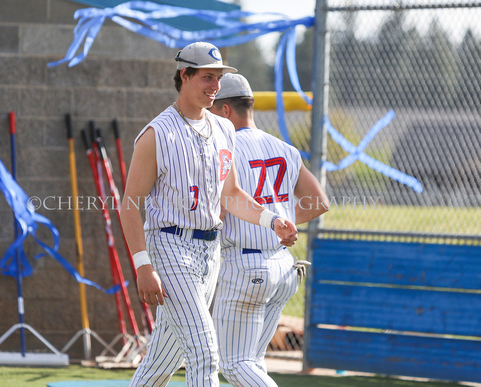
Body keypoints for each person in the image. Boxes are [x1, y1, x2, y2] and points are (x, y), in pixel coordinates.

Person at [121, 42, 299, 387]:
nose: (215, 86)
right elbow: (130, 205)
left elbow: (231, 195)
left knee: (162, 360)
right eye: (207, 77)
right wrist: (143, 266)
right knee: (205, 353)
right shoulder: (156, 134)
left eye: (218, 78)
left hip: (210, 253)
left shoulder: (224, 129)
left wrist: (272, 220)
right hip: (170, 247)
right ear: (184, 76)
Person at [209, 73, 329, 387]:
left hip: (246, 268)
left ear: (225, 111)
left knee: (233, 365)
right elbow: (319, 202)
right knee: (252, 362)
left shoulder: (225, 147)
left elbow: (220, 208)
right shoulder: (284, 147)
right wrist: (283, 220)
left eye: (211, 109)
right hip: (283, 267)